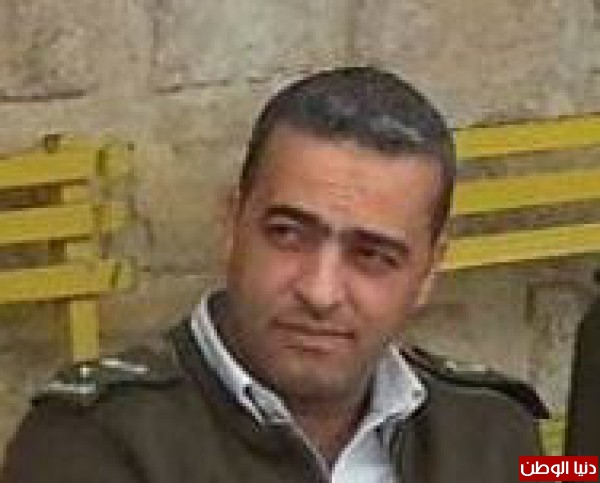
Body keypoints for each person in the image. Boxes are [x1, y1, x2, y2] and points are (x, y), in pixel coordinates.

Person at [2, 66, 547, 483]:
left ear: (428, 272)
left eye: (372, 256)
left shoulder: (494, 432)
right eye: (288, 234)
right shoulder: (90, 440)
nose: (319, 292)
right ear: (232, 225)